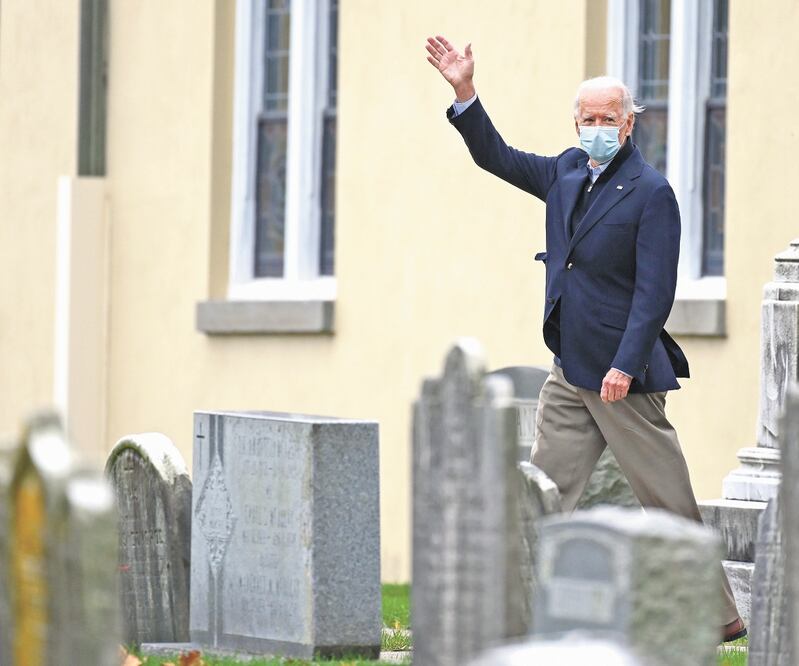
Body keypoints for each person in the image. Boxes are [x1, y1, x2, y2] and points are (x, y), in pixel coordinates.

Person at [425, 34, 746, 642]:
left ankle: (721, 616)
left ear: (628, 125)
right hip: (570, 368)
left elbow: (654, 293)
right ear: (576, 123)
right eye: (588, 119)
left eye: (608, 119)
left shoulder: (651, 193)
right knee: (541, 492)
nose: (598, 128)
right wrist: (465, 92)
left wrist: (625, 365)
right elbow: (497, 156)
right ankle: (510, 611)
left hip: (622, 378)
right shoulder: (567, 171)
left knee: (667, 499)